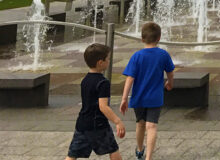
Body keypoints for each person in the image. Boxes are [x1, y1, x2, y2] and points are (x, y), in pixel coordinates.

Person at [120, 22, 175, 160]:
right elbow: (170, 72)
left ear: (142, 38)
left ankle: (140, 150)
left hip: (138, 97)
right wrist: (170, 83)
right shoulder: (163, 54)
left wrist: (124, 98)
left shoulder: (137, 56)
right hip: (155, 97)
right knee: (152, 126)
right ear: (159, 38)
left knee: (141, 124)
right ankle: (148, 157)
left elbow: (130, 78)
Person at [65, 43, 125, 160]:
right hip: (98, 125)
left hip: (82, 123)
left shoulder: (85, 80)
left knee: (73, 154)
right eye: (107, 59)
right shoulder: (103, 83)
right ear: (100, 63)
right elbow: (103, 107)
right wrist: (117, 121)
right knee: (113, 149)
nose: (109, 61)